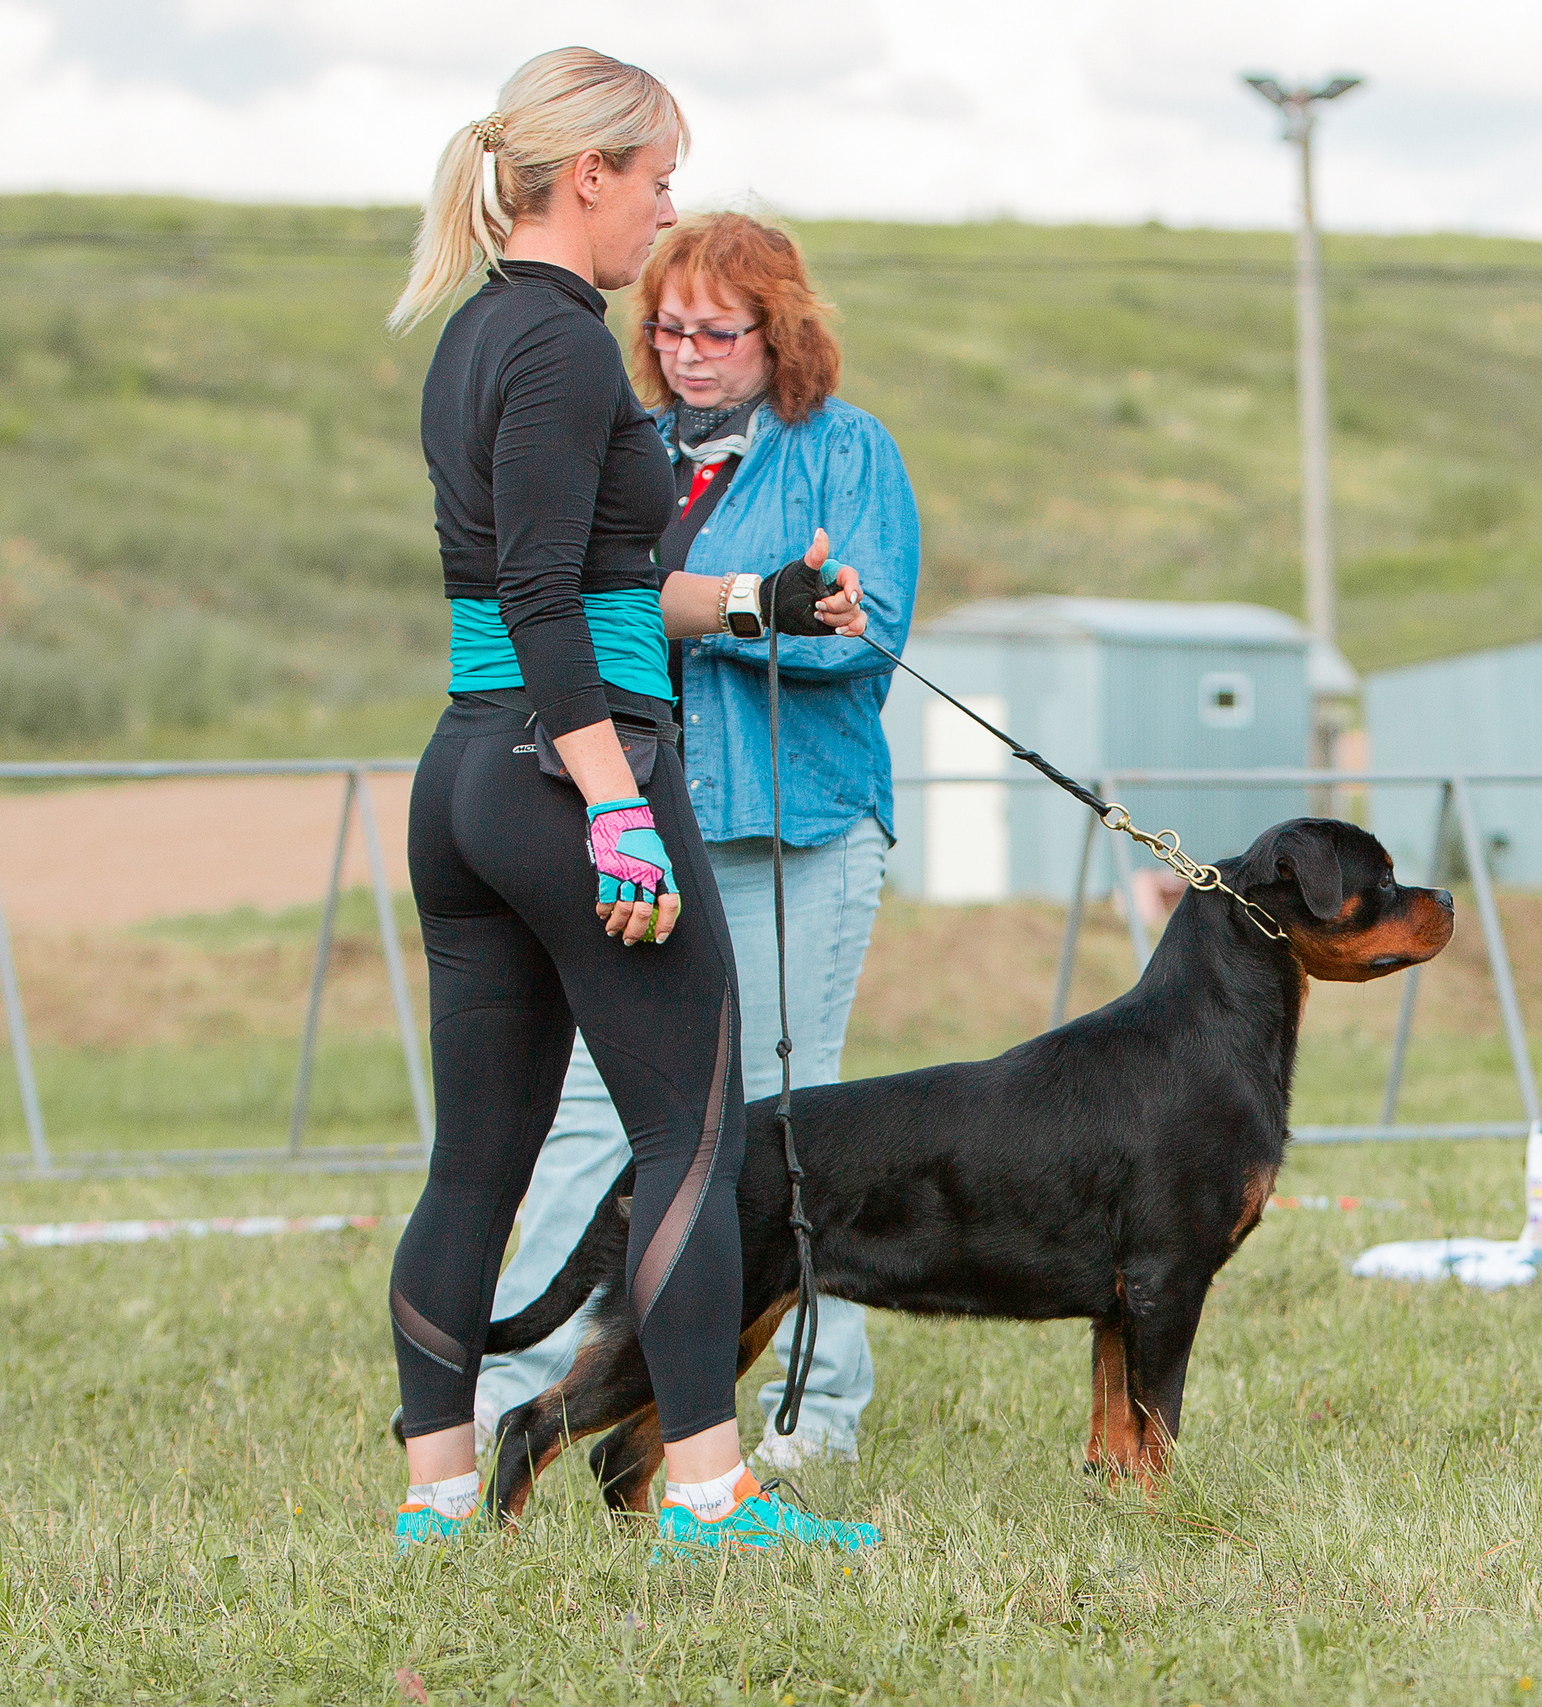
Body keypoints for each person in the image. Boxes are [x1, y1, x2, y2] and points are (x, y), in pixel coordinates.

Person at [383, 49, 877, 1553]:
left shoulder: (478, 333)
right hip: (567, 768)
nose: (666, 208)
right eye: (658, 178)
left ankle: (438, 1502)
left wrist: (756, 598)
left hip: (470, 770)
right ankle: (711, 1495)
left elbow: (593, 582)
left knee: (478, 1158)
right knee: (692, 1139)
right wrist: (613, 804)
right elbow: (541, 596)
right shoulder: (564, 346)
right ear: (586, 175)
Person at [473, 213, 919, 1469]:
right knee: (589, 1113)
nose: (685, 354)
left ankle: (816, 1409)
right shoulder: (629, 446)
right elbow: (565, 608)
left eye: (717, 333)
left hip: (801, 829)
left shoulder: (847, 449)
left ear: (780, 334)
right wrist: (731, 604)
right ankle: (513, 1392)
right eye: (667, 330)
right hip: (642, 824)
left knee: (789, 1125)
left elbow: (864, 632)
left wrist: (717, 612)